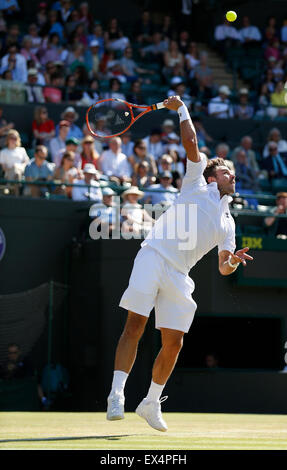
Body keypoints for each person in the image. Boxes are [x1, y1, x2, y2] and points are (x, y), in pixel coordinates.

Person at [106, 95, 253, 432]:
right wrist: (182, 108)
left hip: (180, 275)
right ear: (214, 177)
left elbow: (222, 268)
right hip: (154, 256)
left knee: (174, 342)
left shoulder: (229, 223)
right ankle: (117, 394)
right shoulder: (195, 182)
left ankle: (150, 402)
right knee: (135, 326)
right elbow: (191, 141)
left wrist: (231, 261)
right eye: (229, 173)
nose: (235, 178)